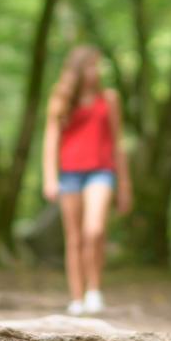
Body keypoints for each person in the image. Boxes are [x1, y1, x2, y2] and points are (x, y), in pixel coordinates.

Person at [42, 45, 132, 316]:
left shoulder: (110, 98)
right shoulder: (61, 99)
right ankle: (77, 298)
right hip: (70, 173)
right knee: (74, 238)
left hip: (101, 171)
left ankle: (95, 290)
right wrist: (49, 177)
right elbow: (51, 139)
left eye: (98, 66)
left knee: (94, 230)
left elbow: (118, 142)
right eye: (91, 66)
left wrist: (125, 185)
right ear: (78, 69)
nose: (96, 71)